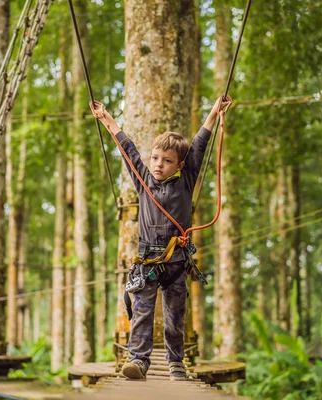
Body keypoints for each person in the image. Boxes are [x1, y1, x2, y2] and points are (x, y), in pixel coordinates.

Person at [90, 95, 231, 381]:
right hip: (147, 263)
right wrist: (107, 120)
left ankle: (175, 363)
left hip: (176, 261)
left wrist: (214, 113)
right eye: (155, 158)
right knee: (141, 314)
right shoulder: (143, 179)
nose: (158, 165)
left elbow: (200, 145)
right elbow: (127, 148)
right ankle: (138, 360)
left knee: (175, 316)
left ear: (179, 165)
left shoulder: (186, 180)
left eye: (167, 161)